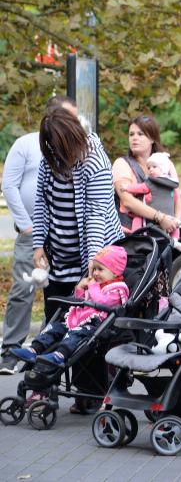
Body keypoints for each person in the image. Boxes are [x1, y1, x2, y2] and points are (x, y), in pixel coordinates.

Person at [0, 96, 77, 374]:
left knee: (58, 296)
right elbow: (9, 185)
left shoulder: (74, 147)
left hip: (62, 236)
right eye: (70, 117)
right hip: (31, 231)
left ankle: (46, 350)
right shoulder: (27, 144)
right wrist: (27, 225)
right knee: (23, 290)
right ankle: (10, 349)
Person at [33, 107, 125, 322]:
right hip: (59, 259)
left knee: (82, 322)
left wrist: (93, 265)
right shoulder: (51, 157)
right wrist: (38, 245)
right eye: (51, 147)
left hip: (92, 256)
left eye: (60, 148)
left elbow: (96, 215)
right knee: (54, 318)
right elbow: (41, 202)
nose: (57, 154)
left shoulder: (94, 161)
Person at [12, 245, 129, 367]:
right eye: (94, 269)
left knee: (75, 334)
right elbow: (82, 300)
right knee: (54, 327)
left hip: (97, 326)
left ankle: (59, 355)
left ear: (115, 272)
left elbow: (101, 302)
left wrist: (92, 286)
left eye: (100, 269)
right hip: (80, 320)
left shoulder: (118, 288)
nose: (95, 273)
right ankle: (34, 349)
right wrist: (79, 289)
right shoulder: (98, 284)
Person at [112, 115, 181, 236]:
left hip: (164, 233)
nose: (134, 138)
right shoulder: (122, 164)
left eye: (140, 134)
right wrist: (160, 218)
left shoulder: (167, 164)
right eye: (131, 134)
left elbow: (177, 200)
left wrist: (175, 222)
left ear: (152, 139)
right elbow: (128, 201)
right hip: (132, 235)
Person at [123, 151, 181, 249]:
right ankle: (175, 240)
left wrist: (127, 188)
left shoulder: (151, 183)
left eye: (154, 167)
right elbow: (175, 197)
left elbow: (140, 188)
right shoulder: (171, 184)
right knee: (175, 224)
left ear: (163, 169)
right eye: (149, 168)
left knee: (138, 219)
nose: (151, 170)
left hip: (153, 215)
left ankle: (137, 237)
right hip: (168, 215)